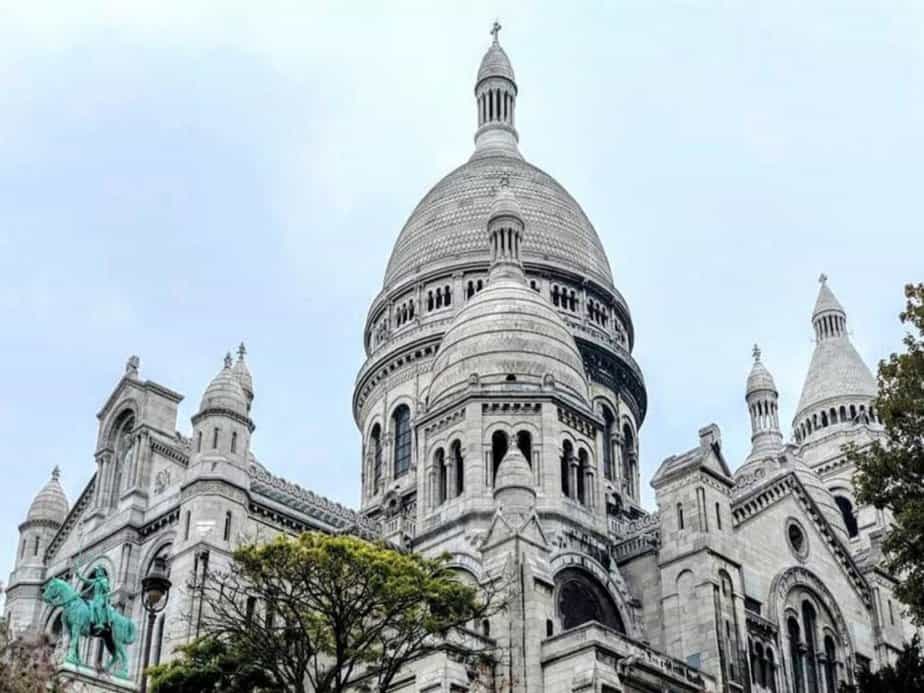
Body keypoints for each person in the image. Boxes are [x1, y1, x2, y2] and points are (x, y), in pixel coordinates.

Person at [75, 563, 112, 633]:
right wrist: (79, 576)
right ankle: (90, 622)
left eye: (98, 572)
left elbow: (107, 590)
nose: (96, 573)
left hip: (101, 597)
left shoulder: (104, 580)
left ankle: (100, 623)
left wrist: (102, 583)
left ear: (101, 573)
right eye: (96, 572)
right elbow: (86, 581)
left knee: (98, 607)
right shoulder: (95, 580)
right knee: (90, 606)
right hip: (95, 597)